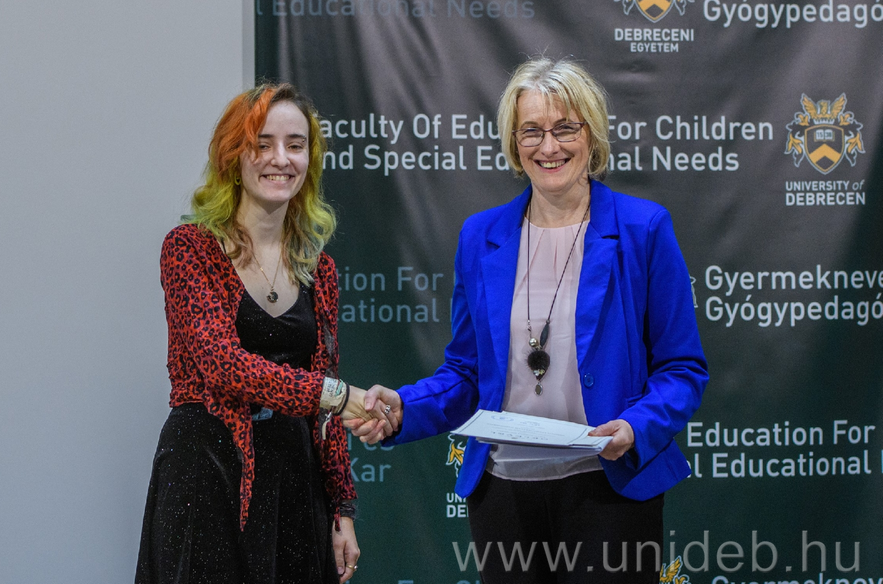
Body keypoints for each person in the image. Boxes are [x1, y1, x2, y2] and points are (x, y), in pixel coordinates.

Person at [348, 57, 709, 583]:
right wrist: (404, 409)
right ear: (514, 143)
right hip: (503, 498)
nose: (549, 146)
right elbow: (467, 374)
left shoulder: (643, 229)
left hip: (609, 492)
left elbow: (682, 369)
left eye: (565, 128)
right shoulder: (481, 236)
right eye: (532, 131)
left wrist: (635, 427)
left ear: (592, 135)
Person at [136, 83, 386, 584]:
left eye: (295, 145)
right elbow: (223, 365)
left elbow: (324, 409)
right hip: (207, 474)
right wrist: (337, 396)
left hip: (294, 483)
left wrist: (341, 507)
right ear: (234, 155)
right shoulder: (189, 249)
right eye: (262, 143)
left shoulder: (320, 269)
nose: (280, 159)